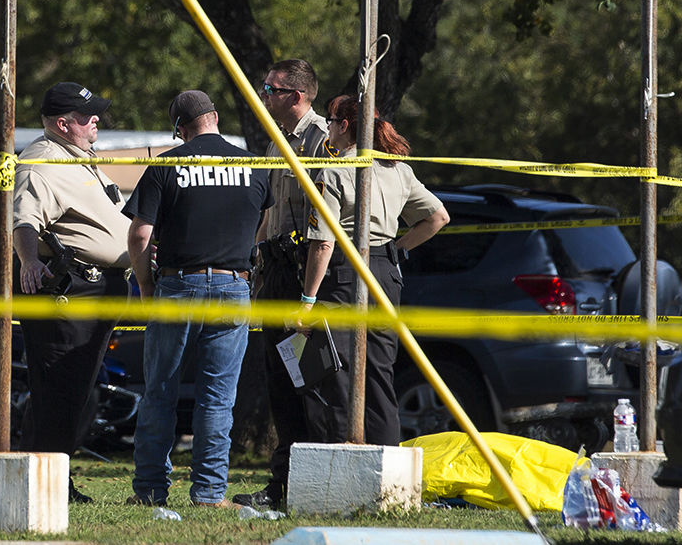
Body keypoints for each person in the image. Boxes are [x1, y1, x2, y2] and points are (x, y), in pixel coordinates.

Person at [125, 90, 271, 508]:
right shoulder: (254, 166)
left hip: (177, 284)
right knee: (218, 399)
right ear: (216, 118)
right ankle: (209, 492)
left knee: (160, 391)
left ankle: (151, 491)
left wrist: (147, 287)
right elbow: (262, 224)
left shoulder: (167, 165)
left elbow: (139, 235)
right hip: (233, 287)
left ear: (181, 130)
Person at [297, 95, 449, 446]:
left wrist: (307, 299)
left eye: (331, 122)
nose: (327, 130)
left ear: (345, 126)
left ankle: (341, 465)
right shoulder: (398, 169)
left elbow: (322, 243)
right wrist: (397, 249)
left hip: (344, 275)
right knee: (379, 375)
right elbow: (438, 217)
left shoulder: (334, 171)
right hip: (385, 272)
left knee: (339, 375)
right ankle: (386, 463)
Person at [12, 81, 131, 503]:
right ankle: (45, 484)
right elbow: (24, 221)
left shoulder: (78, 158)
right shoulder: (42, 162)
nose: (95, 119)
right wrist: (28, 262)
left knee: (71, 390)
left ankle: (41, 479)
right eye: (86, 116)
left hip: (97, 290)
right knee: (60, 389)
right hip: (70, 290)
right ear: (63, 124)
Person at [239, 57, 331, 511]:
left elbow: (325, 220)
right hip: (275, 271)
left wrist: (309, 294)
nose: (264, 95)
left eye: (271, 89)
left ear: (296, 96)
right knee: (280, 380)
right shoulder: (278, 142)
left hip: (304, 275)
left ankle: (310, 485)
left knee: (309, 382)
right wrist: (251, 256)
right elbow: (271, 211)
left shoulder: (322, 140)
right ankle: (282, 484)